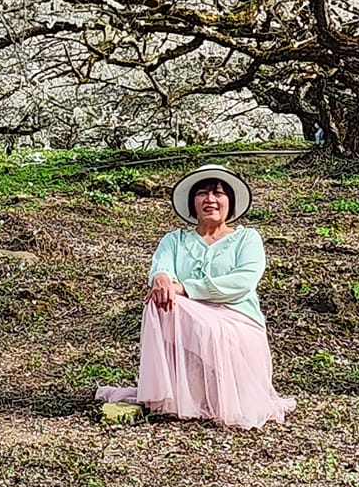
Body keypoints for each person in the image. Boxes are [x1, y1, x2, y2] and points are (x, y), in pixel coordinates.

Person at [96, 165, 295, 430]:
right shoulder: (174, 240)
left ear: (230, 203)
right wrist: (161, 279)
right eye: (202, 193)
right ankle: (175, 395)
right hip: (187, 320)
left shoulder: (247, 239)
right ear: (193, 202)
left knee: (204, 322)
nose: (210, 200)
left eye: (218, 194)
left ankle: (223, 396)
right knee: (157, 302)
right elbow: (161, 269)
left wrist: (185, 288)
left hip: (238, 320)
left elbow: (243, 281)